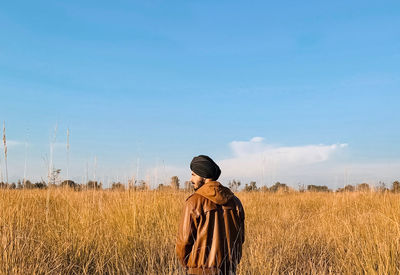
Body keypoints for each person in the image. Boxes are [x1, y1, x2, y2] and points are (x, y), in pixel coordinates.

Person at [176, 155, 245, 275]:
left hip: (200, 270)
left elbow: (184, 241)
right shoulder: (235, 202)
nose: (191, 180)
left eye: (193, 175)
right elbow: (240, 238)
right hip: (229, 269)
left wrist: (188, 266)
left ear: (203, 175)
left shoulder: (194, 202)